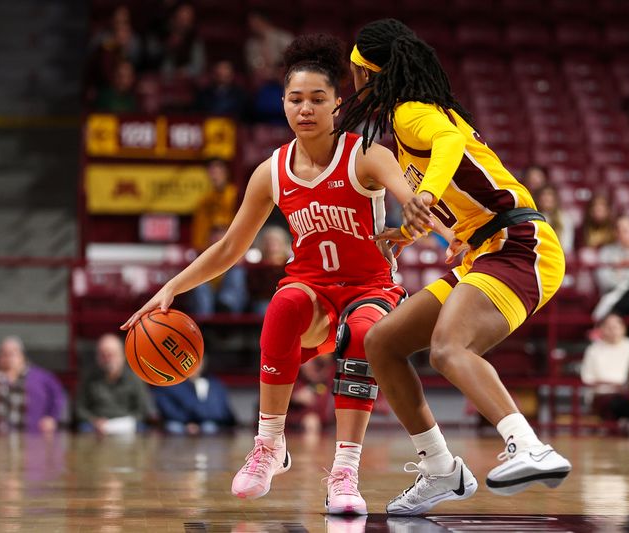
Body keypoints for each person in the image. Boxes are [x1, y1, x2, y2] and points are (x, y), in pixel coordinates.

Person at [122, 34, 422, 515]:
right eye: (296, 99)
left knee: (364, 332)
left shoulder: (366, 152)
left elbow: (409, 199)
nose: (306, 108)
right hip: (312, 296)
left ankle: (345, 472)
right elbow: (229, 248)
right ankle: (270, 447)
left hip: (370, 289)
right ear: (283, 104)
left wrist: (415, 211)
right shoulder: (271, 172)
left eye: (318, 99)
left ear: (337, 104)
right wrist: (170, 289)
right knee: (282, 303)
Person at [335, 19, 571, 515]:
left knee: (448, 347)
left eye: (357, 70)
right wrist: (411, 231)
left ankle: (528, 447)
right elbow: (458, 191)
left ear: (375, 73)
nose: (352, 80)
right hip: (488, 247)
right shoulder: (405, 126)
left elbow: (447, 145)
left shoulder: (412, 113)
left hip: (521, 242)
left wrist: (420, 196)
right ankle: (440, 469)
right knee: (383, 342)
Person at [0, 336, 65, 434]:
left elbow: (57, 395)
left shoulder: (41, 377)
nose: (8, 357)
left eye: (13, 353)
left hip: (32, 437)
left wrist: (51, 417)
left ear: (22, 356)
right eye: (4, 353)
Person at [187, 159, 242, 315]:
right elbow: (199, 234)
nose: (215, 176)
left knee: (237, 272)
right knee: (199, 282)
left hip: (234, 254)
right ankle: (205, 321)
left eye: (218, 171)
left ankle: (228, 307)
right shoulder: (204, 202)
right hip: (209, 255)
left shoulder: (236, 196)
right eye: (211, 172)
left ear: (226, 173)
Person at [74, 334, 154, 434]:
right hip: (96, 426)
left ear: (122, 355)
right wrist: (94, 421)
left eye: (111, 354)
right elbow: (80, 409)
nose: (107, 359)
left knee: (143, 430)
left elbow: (143, 410)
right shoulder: (88, 378)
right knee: (84, 429)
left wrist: (124, 423)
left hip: (127, 425)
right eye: (103, 355)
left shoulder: (135, 379)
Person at [580, 313, 629, 418]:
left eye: (615, 327)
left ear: (624, 328)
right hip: (603, 395)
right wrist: (615, 385)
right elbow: (587, 379)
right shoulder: (593, 350)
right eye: (608, 327)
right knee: (618, 403)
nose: (612, 330)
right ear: (601, 329)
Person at [153, 357, 236, 435]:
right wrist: (189, 423)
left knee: (209, 427)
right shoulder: (170, 384)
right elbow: (168, 409)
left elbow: (221, 411)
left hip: (207, 423)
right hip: (179, 423)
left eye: (198, 361)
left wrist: (198, 422)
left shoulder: (215, 385)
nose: (194, 366)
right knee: (174, 427)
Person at [535, 184, 574, 255]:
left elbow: (567, 247)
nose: (546, 198)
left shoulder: (564, 218)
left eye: (549, 194)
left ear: (555, 199)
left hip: (558, 256)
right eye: (543, 195)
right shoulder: (533, 218)